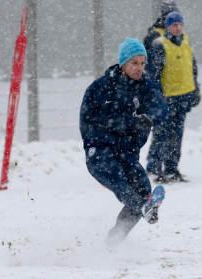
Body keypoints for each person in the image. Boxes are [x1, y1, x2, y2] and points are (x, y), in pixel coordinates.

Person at [79, 38, 168, 245]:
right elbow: (87, 122)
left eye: (143, 63)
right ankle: (142, 209)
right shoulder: (100, 88)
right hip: (100, 153)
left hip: (127, 153)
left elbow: (160, 111)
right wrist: (119, 127)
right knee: (130, 193)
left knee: (145, 193)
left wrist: (149, 118)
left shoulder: (146, 88)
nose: (139, 68)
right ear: (123, 63)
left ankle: (114, 241)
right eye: (134, 63)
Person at [145, 11, 201, 183]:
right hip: (166, 99)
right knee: (162, 134)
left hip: (182, 98)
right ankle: (154, 169)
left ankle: (171, 169)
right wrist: (156, 97)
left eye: (180, 24)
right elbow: (153, 74)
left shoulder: (185, 41)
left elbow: (192, 67)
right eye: (174, 25)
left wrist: (195, 89)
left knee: (177, 135)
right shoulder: (159, 45)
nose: (177, 28)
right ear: (167, 26)